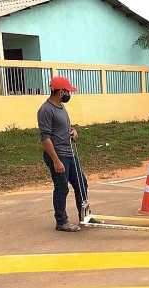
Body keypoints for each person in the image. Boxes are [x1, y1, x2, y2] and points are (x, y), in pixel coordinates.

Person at [37, 76, 88, 232]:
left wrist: (72, 132)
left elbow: (62, 128)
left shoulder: (60, 106)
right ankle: (61, 221)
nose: (69, 94)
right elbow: (45, 138)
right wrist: (56, 161)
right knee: (61, 189)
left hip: (70, 153)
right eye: (67, 91)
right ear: (60, 92)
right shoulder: (46, 110)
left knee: (81, 184)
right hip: (58, 155)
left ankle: (84, 216)